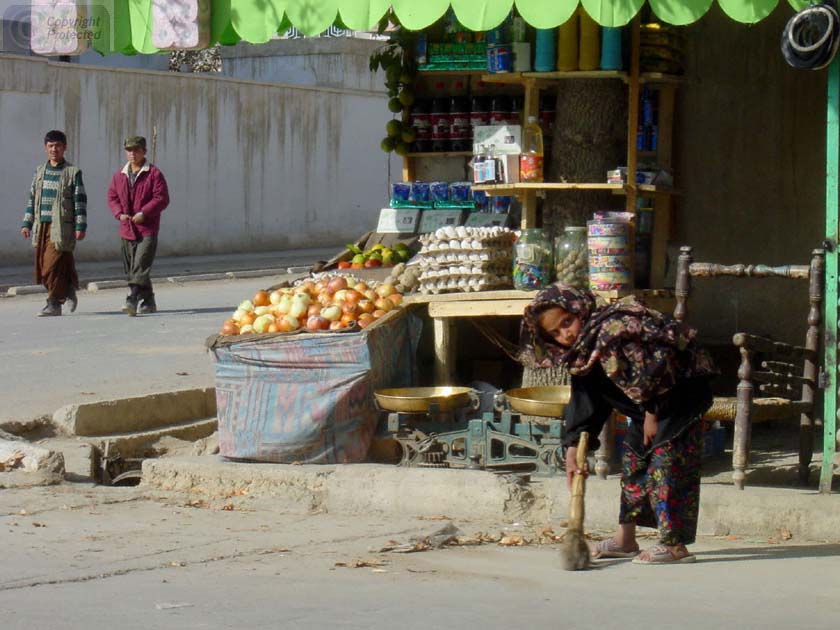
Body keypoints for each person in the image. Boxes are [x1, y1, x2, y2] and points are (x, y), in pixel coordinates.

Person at [520, 283, 717, 565]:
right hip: (645, 408)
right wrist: (574, 446)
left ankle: (675, 545)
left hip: (676, 398)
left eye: (567, 322)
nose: (566, 333)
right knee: (634, 466)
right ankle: (626, 539)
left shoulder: (615, 330)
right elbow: (587, 402)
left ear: (580, 309)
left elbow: (657, 365)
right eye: (555, 332)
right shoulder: (583, 354)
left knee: (667, 467)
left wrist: (653, 411)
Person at [20, 130, 87, 317]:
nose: (54, 149)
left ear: (64, 148)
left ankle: (54, 303)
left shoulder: (73, 173)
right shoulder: (40, 171)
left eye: (58, 146)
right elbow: (32, 200)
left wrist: (81, 226)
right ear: (45, 148)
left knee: (50, 265)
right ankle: (67, 288)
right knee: (44, 266)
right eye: (50, 146)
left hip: (62, 227)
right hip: (42, 226)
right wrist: (26, 223)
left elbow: (79, 201)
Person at [106, 136, 170, 316]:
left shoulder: (154, 174)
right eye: (129, 150)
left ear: (144, 151)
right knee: (132, 269)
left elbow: (162, 198)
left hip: (147, 229)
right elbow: (112, 197)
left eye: (136, 150)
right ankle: (148, 300)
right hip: (127, 229)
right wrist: (119, 213)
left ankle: (132, 299)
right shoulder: (119, 175)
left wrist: (144, 213)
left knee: (140, 265)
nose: (132, 154)